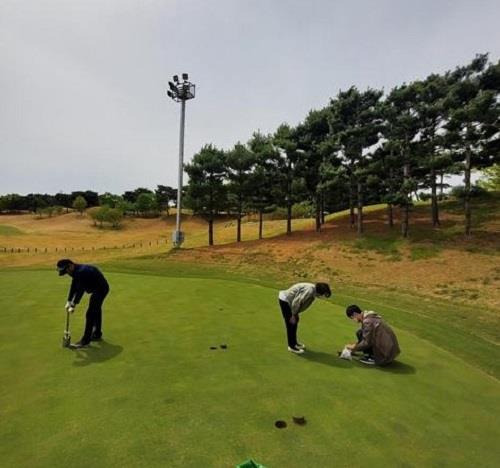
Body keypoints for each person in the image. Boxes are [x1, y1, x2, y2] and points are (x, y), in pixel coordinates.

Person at [57, 259, 110, 349]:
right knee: (96, 310)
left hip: (101, 289)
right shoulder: (75, 272)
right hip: (96, 289)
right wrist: (69, 301)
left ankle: (85, 341)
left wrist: (73, 304)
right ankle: (97, 334)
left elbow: (80, 290)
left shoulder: (81, 272)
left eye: (66, 271)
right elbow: (73, 286)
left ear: (71, 265)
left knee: (90, 314)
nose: (67, 273)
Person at [278, 282, 331, 354]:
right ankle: (291, 346)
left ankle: (294, 343)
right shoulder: (309, 291)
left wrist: (296, 314)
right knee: (290, 324)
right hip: (285, 300)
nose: (322, 297)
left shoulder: (313, 291)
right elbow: (297, 302)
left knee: (295, 322)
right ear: (320, 292)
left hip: (290, 302)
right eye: (323, 294)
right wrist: (293, 315)